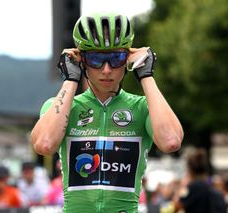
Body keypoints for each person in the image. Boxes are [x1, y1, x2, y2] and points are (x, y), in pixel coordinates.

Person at [31, 12, 184, 213]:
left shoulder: (142, 107)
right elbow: (44, 144)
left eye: (116, 58)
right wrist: (70, 79)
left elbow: (171, 141)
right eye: (95, 59)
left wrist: (146, 74)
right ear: (82, 61)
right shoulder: (60, 106)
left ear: (127, 60)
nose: (106, 69)